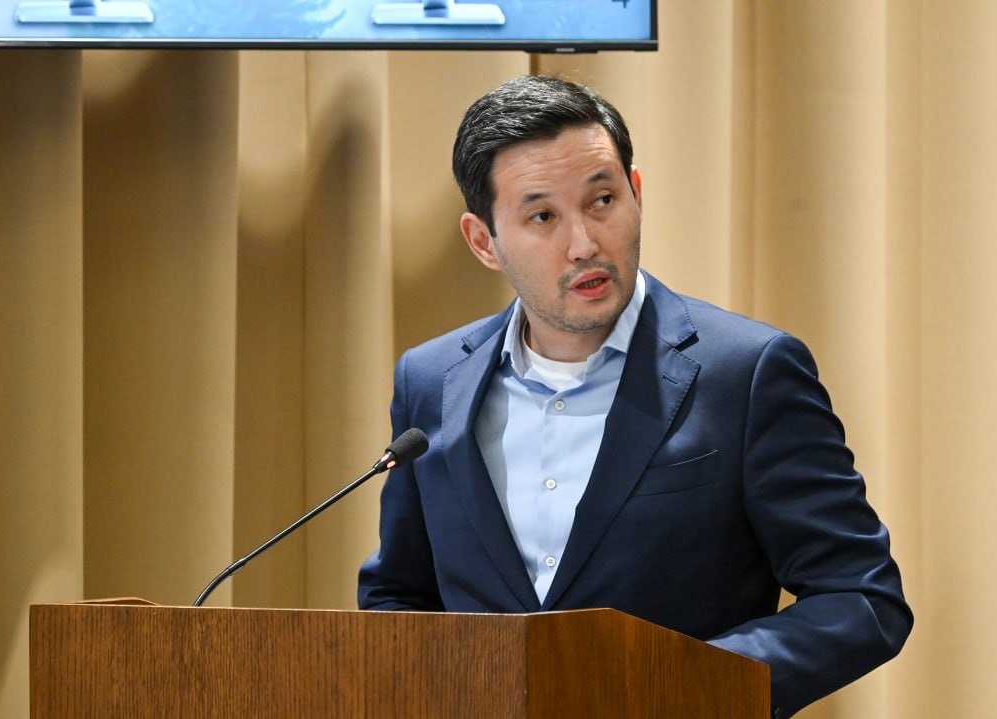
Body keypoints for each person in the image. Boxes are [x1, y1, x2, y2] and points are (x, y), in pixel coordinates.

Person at [358, 75, 911, 717]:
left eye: (603, 201)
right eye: (542, 217)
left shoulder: (747, 373)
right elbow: (400, 598)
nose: (585, 244)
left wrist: (680, 686)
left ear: (636, 193)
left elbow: (860, 598)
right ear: (484, 241)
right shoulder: (430, 382)